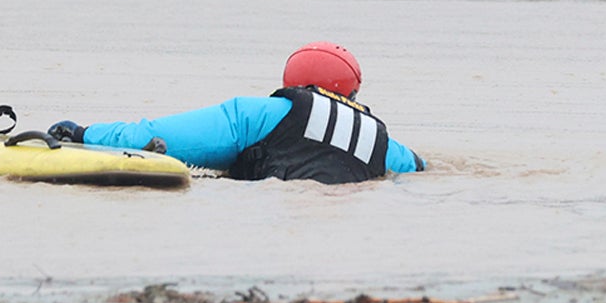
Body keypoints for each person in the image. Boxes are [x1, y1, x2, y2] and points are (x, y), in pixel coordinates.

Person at [47, 42, 425, 183]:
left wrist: (81, 134)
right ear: (353, 91)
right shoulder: (384, 142)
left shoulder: (261, 113)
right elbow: (421, 169)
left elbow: (156, 137)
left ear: (293, 80)